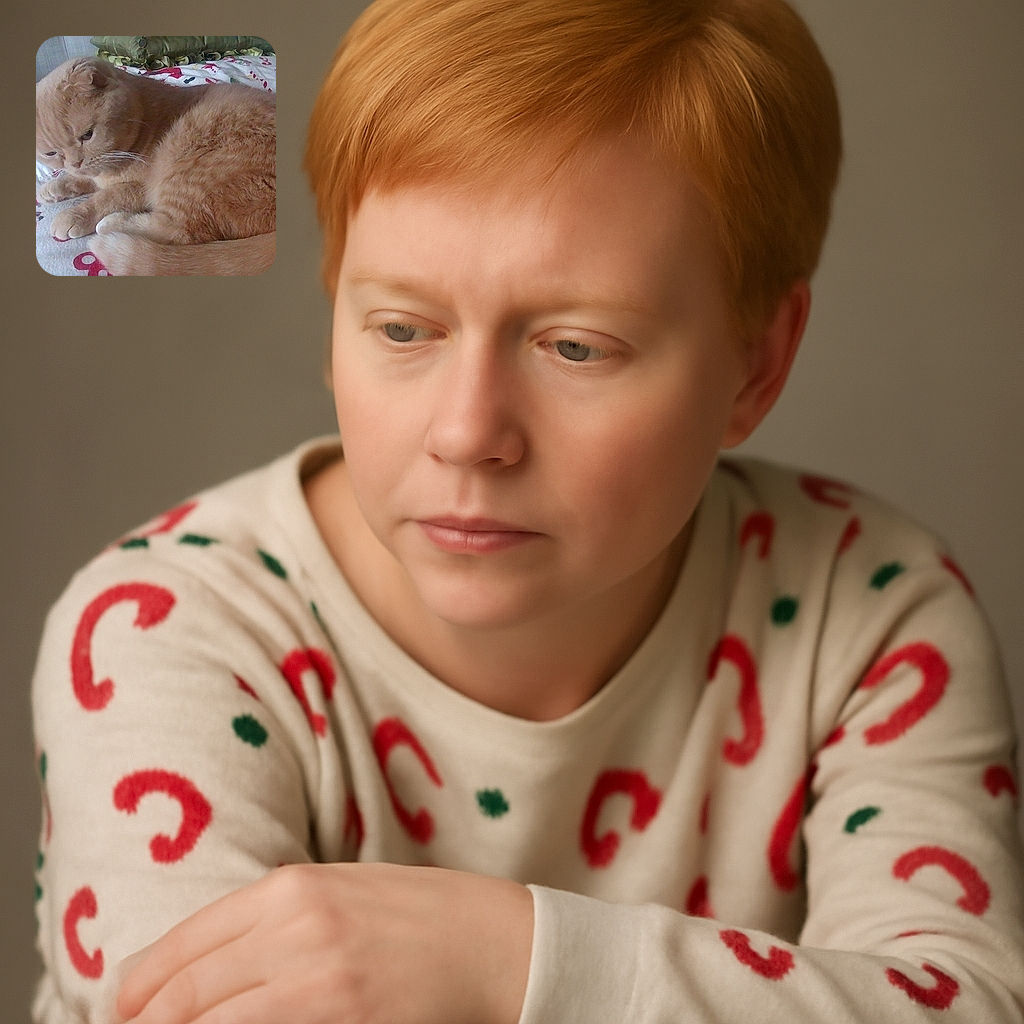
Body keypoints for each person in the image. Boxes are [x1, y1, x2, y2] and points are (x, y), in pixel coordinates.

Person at [32, 0, 1024, 1021]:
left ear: (756, 360)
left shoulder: (867, 612)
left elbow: (962, 1003)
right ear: (333, 311)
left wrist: (514, 958)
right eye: (405, 329)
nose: (468, 433)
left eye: (576, 346)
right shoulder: (164, 630)